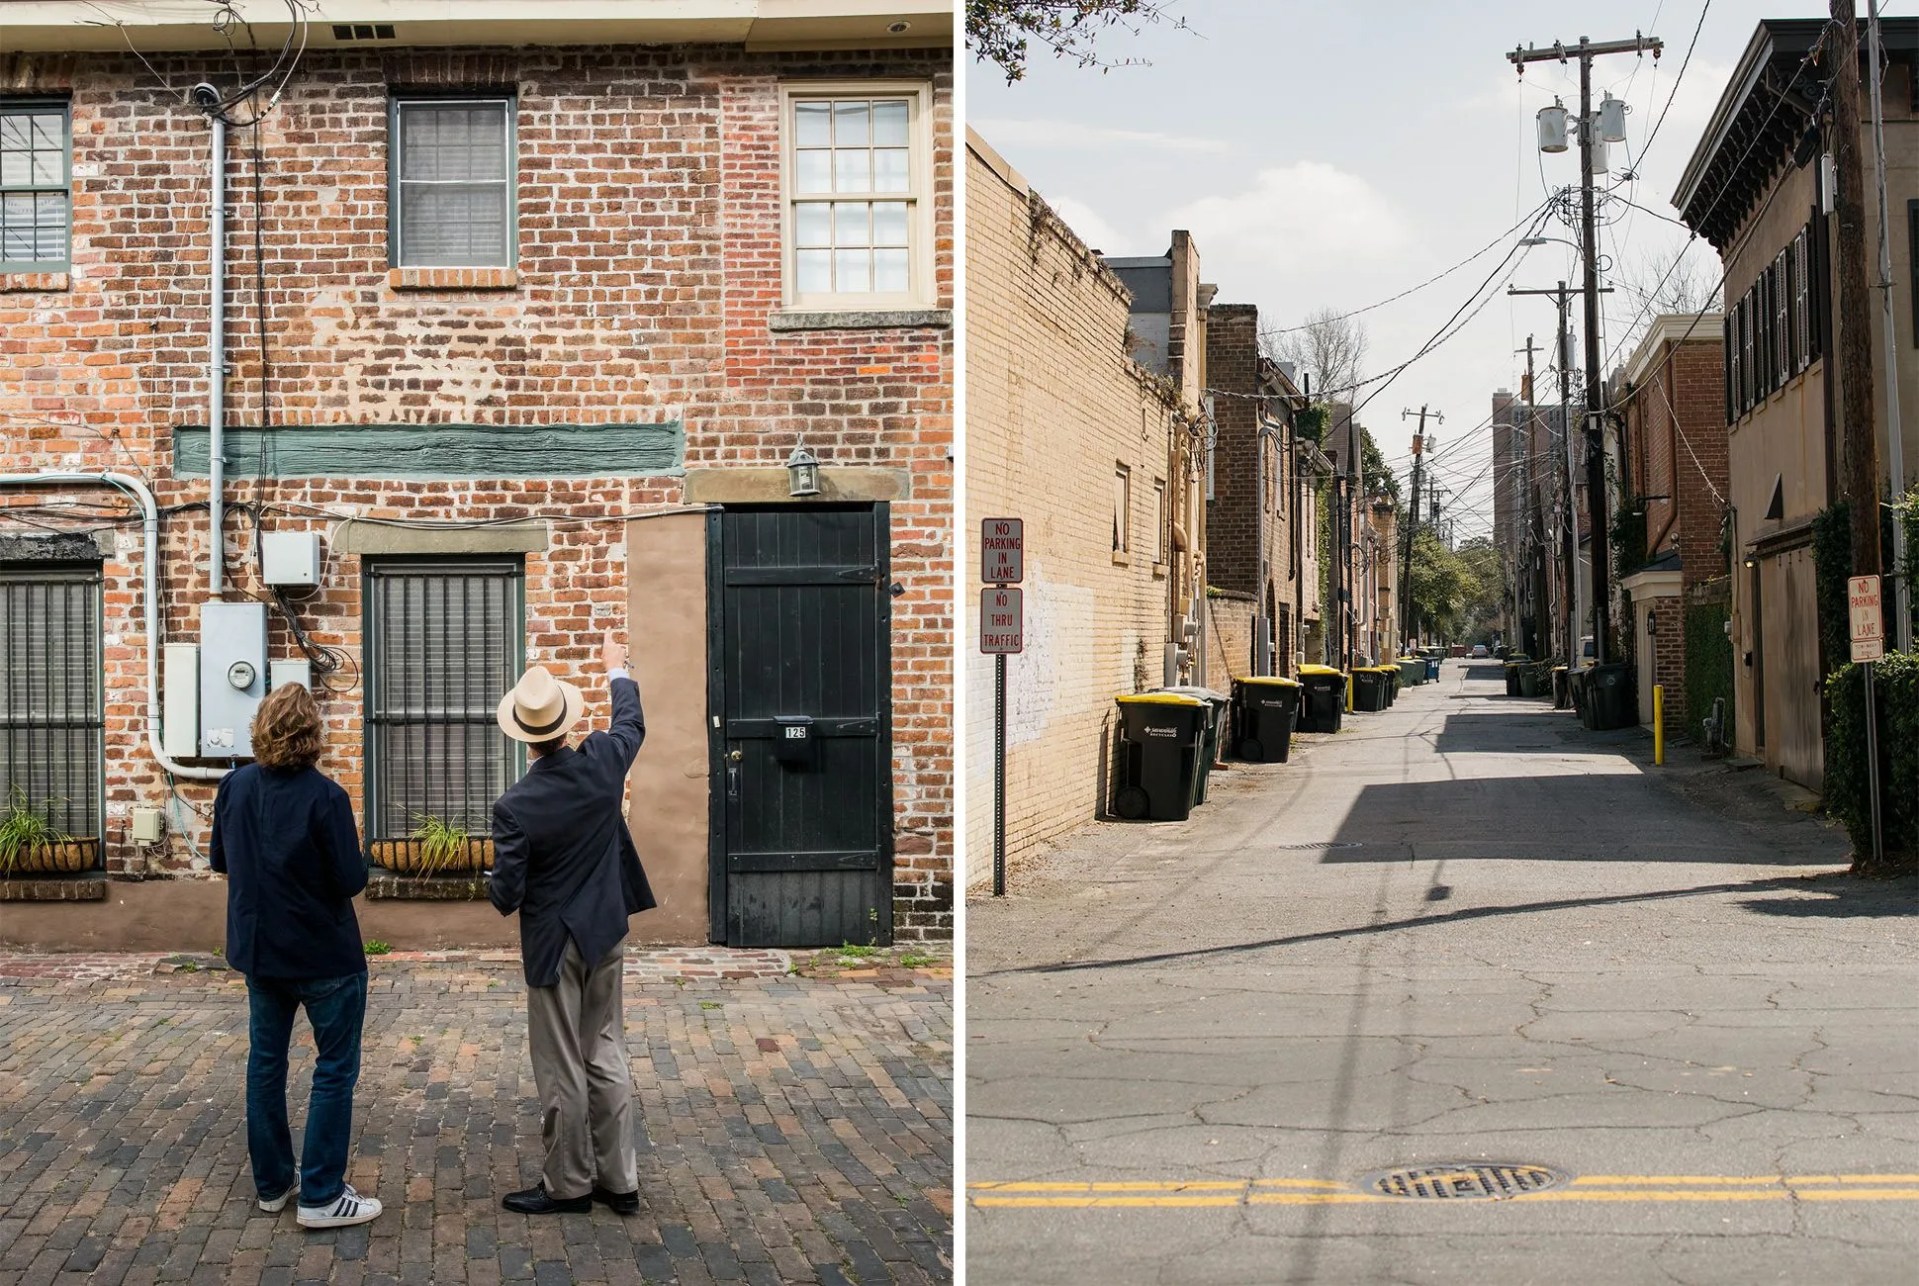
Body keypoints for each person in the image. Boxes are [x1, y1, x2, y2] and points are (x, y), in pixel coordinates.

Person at [487, 630, 654, 1215]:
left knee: (562, 1066)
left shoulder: (515, 806)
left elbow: (506, 894)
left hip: (554, 945)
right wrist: (615, 667)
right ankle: (621, 1183)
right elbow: (631, 722)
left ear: (525, 737)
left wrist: (495, 879)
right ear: (565, 723)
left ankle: (569, 1185)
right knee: (605, 1051)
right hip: (605, 930)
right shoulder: (603, 763)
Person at [210, 682, 382, 1230]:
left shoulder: (234, 787)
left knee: (266, 1063)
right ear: (313, 735)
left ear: (260, 728)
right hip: (324, 954)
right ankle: (322, 1194)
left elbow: (221, 860)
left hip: (262, 953)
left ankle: (274, 1183)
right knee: (334, 1068)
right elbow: (351, 880)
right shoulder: (326, 797)